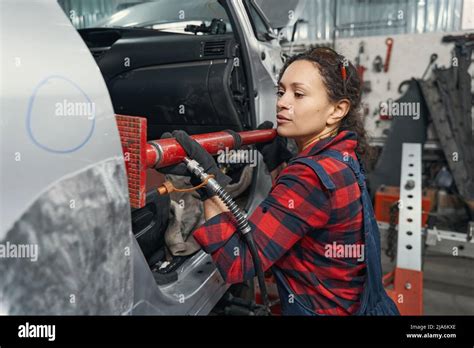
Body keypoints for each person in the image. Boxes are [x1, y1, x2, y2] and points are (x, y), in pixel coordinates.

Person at [158, 47, 399, 316]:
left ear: (337, 110)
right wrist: (279, 162)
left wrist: (205, 179)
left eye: (299, 94)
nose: (283, 102)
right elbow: (298, 217)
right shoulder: (342, 157)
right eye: (281, 92)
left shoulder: (310, 176)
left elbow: (239, 263)